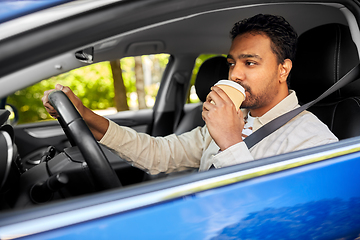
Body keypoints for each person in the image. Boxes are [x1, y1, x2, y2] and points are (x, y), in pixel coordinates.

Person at [42, 14, 338, 175]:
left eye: (250, 63)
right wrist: (86, 115)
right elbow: (157, 154)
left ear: (283, 70)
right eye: (232, 63)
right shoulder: (232, 119)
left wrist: (231, 143)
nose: (234, 74)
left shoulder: (314, 139)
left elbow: (282, 220)